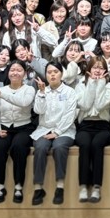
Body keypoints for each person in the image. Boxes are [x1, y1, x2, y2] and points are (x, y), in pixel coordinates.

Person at [30, 62, 77, 206]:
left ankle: (60, 186)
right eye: (49, 72)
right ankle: (38, 188)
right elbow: (38, 111)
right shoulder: (42, 91)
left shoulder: (70, 92)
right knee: (40, 147)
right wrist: (41, 93)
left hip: (65, 130)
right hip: (44, 129)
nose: (52, 75)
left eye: (55, 71)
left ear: (61, 74)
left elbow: (70, 115)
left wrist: (57, 132)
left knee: (59, 147)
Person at [0, 59, 36, 205]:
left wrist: (1, 95)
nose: (15, 73)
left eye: (19, 70)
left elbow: (23, 103)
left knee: (19, 146)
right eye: (12, 70)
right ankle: (0, 186)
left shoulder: (29, 89)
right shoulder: (1, 90)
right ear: (8, 73)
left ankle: (18, 186)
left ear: (24, 74)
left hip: (24, 127)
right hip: (4, 127)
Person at [74, 55, 110, 204]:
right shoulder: (80, 85)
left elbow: (100, 105)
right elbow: (85, 105)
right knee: (85, 145)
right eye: (95, 67)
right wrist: (91, 83)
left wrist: (101, 83)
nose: (97, 70)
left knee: (97, 145)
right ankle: (83, 186)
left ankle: (97, 187)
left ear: (105, 70)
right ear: (89, 69)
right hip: (85, 125)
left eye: (101, 68)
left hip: (102, 126)